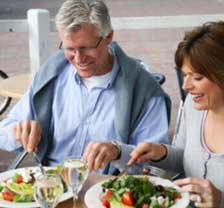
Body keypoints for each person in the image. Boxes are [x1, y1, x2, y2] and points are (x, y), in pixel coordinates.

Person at [0, 0, 171, 174]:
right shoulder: (52, 73)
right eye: (69, 49)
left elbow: (155, 168)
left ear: (109, 37)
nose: (78, 58)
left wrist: (119, 152)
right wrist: (18, 132)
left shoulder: (145, 91)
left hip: (106, 192)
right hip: (51, 185)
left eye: (86, 48)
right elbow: (3, 133)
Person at [128, 21, 224, 207]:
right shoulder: (194, 104)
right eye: (185, 75)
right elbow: (185, 158)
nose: (185, 86)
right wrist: (161, 153)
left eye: (197, 77)